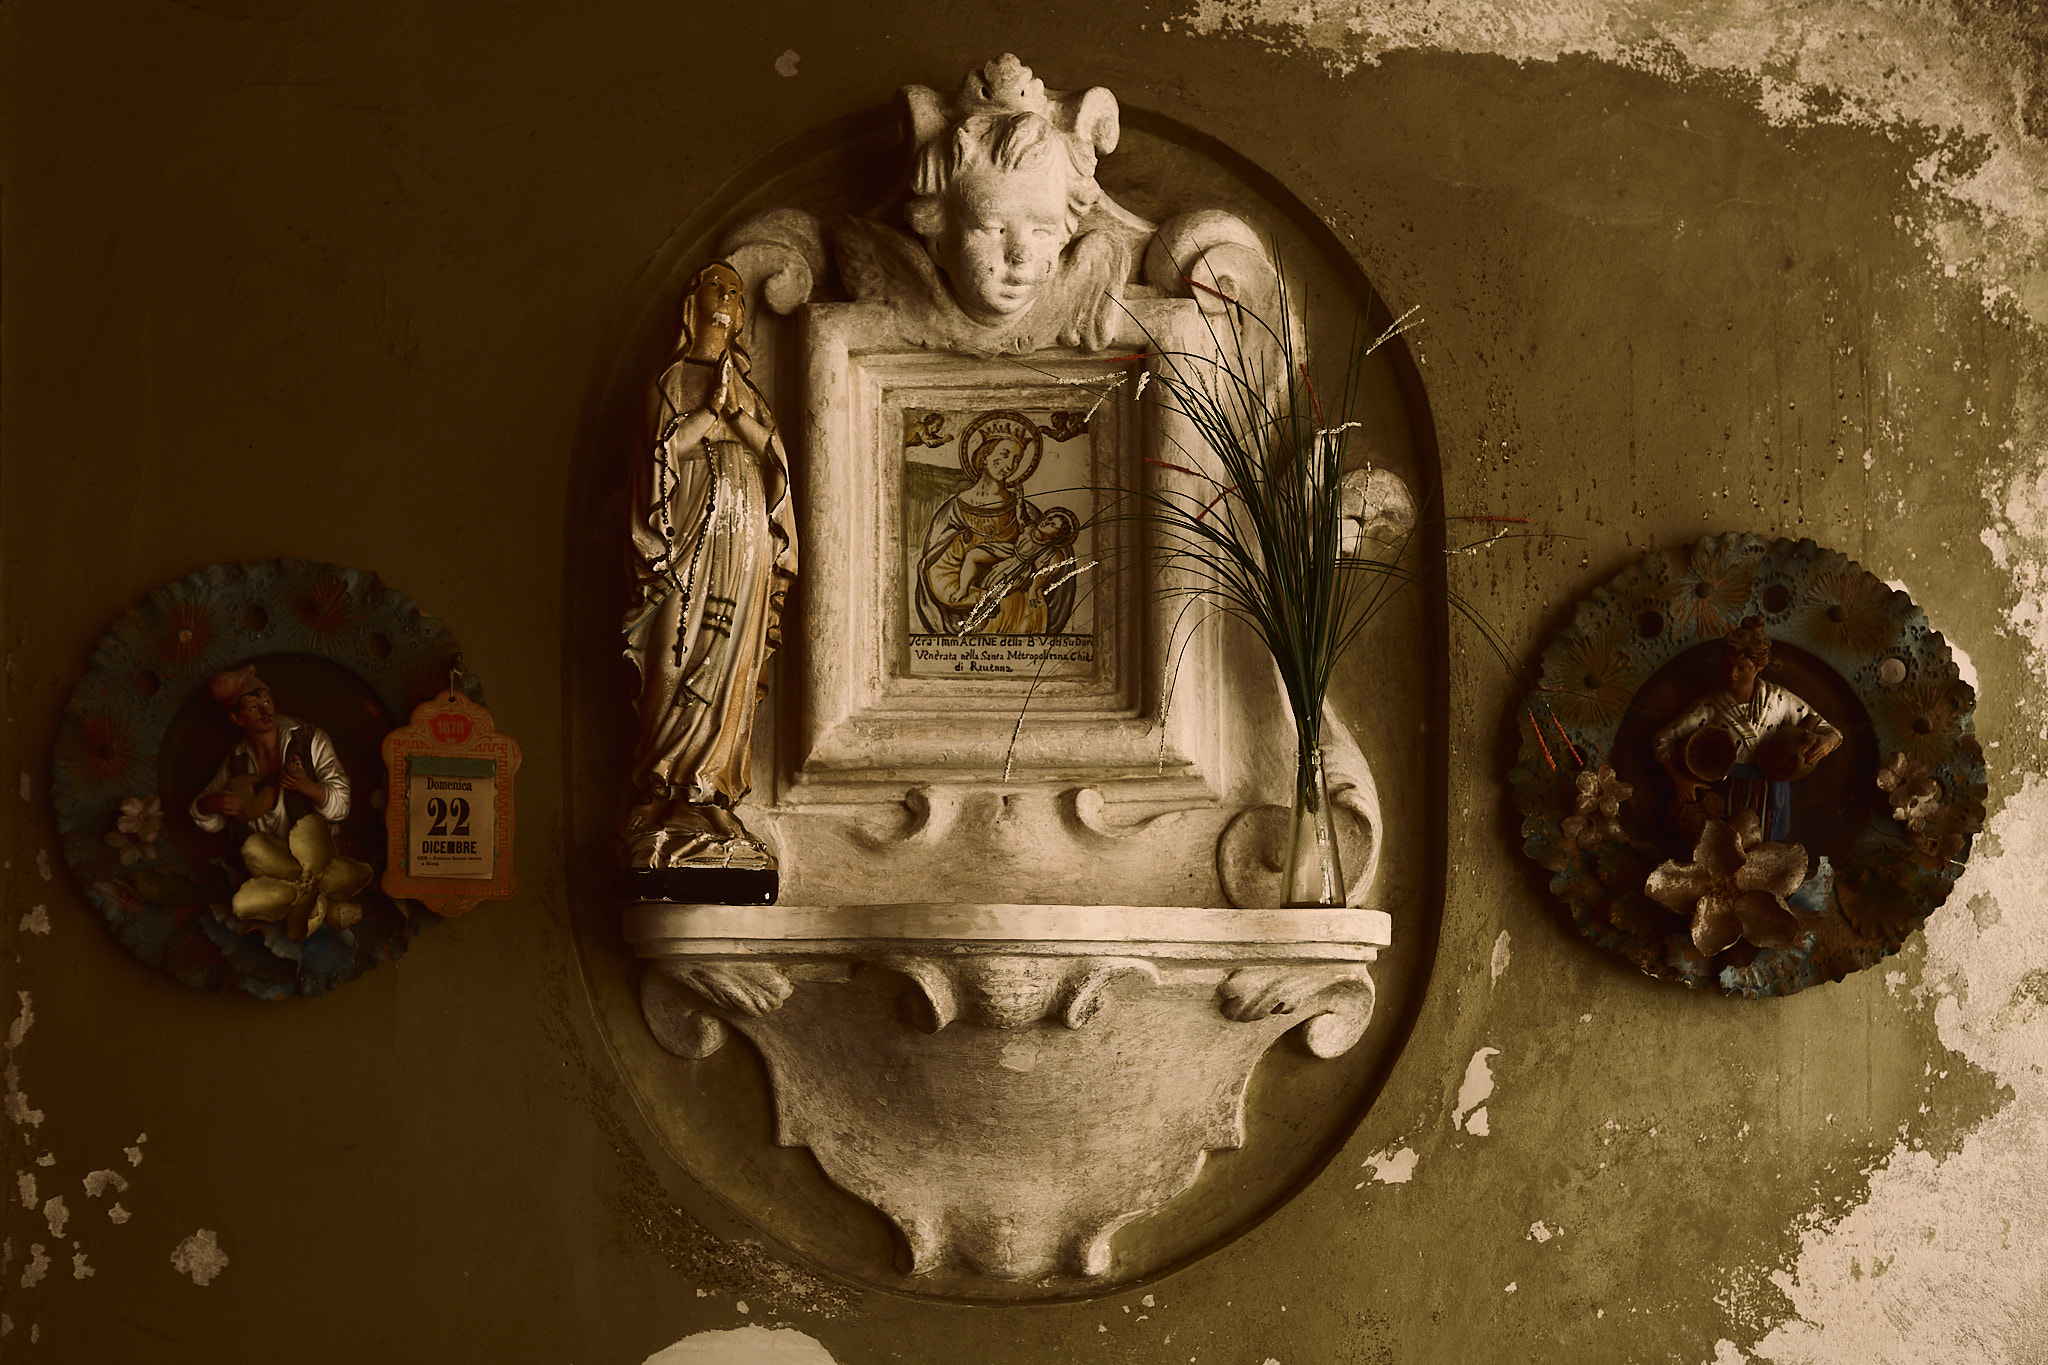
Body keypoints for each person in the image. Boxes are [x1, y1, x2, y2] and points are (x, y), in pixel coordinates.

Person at [623, 261, 798, 879]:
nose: (729, 299)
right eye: (716, 288)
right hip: (687, 544)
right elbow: (658, 456)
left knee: (733, 662)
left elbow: (774, 459)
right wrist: (708, 415)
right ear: (692, 303)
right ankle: (660, 792)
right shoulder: (669, 380)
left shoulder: (747, 388)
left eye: (737, 293)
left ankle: (714, 791)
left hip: (745, 543)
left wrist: (735, 415)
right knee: (674, 649)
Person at [1653, 616, 1842, 842]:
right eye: (1728, 665)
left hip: (1772, 788)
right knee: (1728, 845)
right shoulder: (1710, 705)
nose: (1733, 674)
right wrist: (1680, 780)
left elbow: (1830, 730)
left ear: (1758, 668)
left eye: (1742, 668)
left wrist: (1827, 742)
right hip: (1730, 788)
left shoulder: (1779, 699)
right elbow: (1662, 739)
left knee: (1768, 845)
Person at [915, 413, 1077, 637]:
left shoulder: (1023, 508)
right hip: (969, 594)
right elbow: (934, 560)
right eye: (1004, 454)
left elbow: (1054, 553)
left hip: (1013, 594)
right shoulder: (955, 508)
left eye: (1017, 459)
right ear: (985, 456)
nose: (1010, 464)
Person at [189, 666, 350, 841]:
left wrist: (306, 786)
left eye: (267, 702)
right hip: (261, 860)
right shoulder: (237, 758)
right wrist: (209, 804)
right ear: (237, 719)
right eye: (253, 707)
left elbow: (341, 806)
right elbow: (210, 819)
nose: (265, 712)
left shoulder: (310, 739)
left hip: (314, 851)